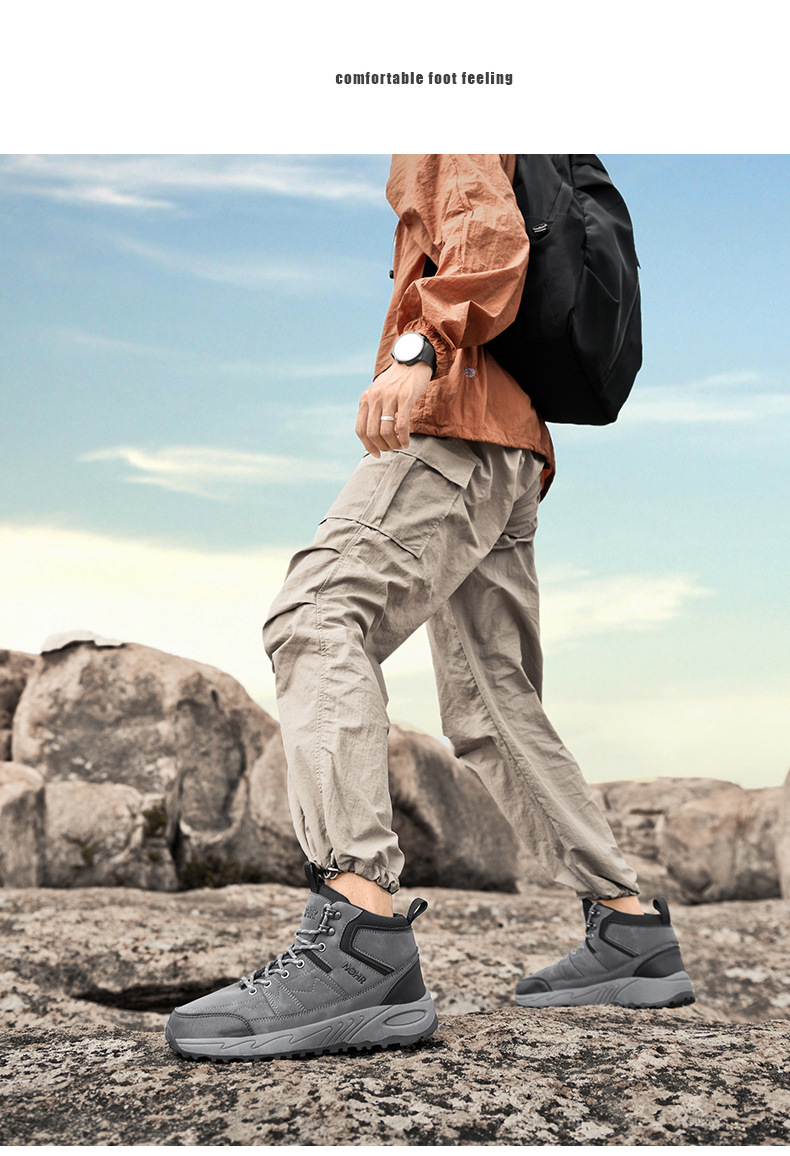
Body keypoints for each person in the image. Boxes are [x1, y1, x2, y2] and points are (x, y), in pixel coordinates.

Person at [165, 155, 695, 1062]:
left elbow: (488, 242)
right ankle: (628, 929)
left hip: (456, 426)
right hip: (512, 450)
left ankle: (359, 935)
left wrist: (421, 350)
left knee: (315, 615)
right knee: (495, 704)